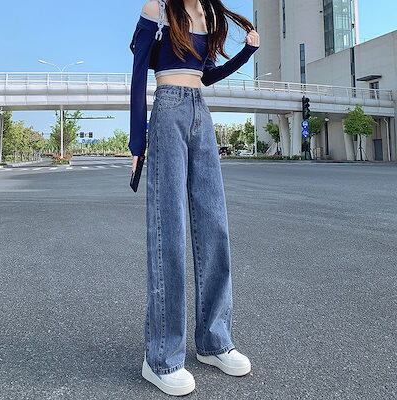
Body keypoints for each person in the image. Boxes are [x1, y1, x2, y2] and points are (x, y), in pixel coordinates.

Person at [128, 0, 260, 396]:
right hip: (167, 110)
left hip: (201, 112)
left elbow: (207, 75)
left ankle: (214, 341)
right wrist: (137, 141)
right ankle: (161, 358)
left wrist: (247, 53)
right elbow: (138, 72)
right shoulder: (158, 9)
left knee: (214, 226)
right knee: (169, 231)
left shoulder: (208, 15)